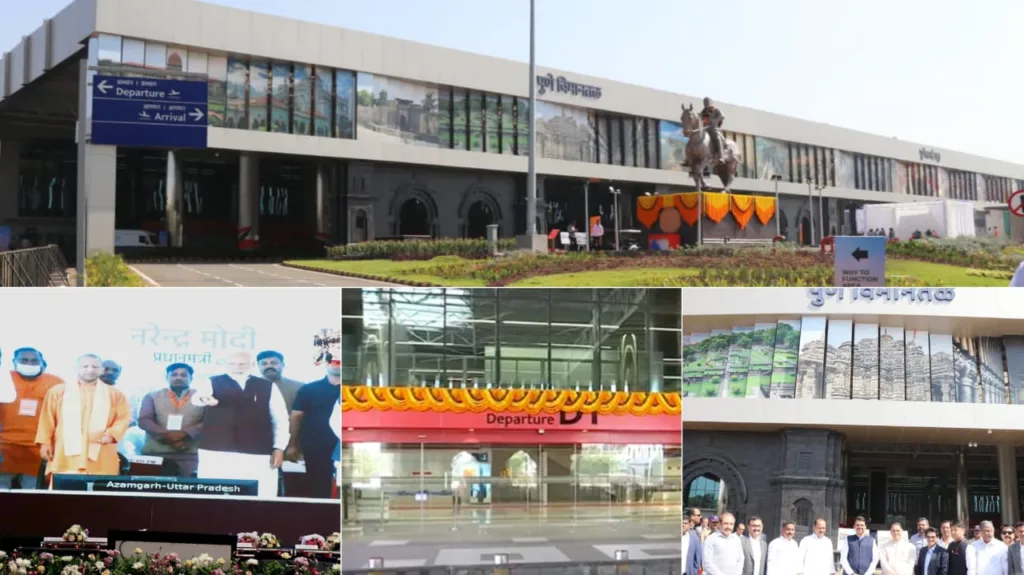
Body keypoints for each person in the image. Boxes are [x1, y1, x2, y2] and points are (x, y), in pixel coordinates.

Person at [190, 351, 289, 497]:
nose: (237, 367)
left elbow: (280, 419)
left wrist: (279, 448)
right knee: (213, 497)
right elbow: (197, 398)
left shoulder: (267, 386)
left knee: (262, 495)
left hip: (258, 452)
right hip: (216, 452)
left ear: (252, 365)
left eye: (242, 364)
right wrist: (206, 399)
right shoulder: (212, 381)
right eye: (232, 364)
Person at [34, 354, 132, 479]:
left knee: (99, 492)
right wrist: (45, 443)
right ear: (76, 368)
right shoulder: (58, 391)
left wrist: (111, 434)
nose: (90, 370)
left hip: (101, 452)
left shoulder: (115, 394)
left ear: (101, 370)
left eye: (95, 367)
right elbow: (47, 419)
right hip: (65, 453)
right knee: (64, 492)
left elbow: (123, 418)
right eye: (85, 366)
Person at [0, 348, 64, 489]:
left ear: (42, 362)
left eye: (34, 360)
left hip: (38, 448)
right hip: (5, 446)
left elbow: (63, 415)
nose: (29, 364)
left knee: (31, 493)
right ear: (14, 362)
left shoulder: (56, 383)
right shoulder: (4, 379)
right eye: (24, 360)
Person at [137, 363, 205, 478]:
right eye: (174, 374)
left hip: (190, 455)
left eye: (183, 375)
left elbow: (209, 422)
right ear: (167, 377)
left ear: (191, 378)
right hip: (154, 454)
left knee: (189, 491)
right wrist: (170, 437)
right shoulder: (152, 396)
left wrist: (185, 433)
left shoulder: (202, 397)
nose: (179, 377)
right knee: (148, 491)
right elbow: (144, 420)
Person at [286, 360, 341, 498]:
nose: (337, 364)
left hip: (345, 445)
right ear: (326, 364)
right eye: (333, 361)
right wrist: (293, 445)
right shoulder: (309, 389)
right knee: (318, 487)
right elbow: (296, 417)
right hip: (316, 445)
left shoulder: (355, 390)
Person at [700, 97, 726, 163]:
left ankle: (721, 156)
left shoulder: (716, 110)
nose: (705, 103)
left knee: (717, 138)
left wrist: (714, 120)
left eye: (707, 102)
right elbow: (699, 118)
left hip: (713, 129)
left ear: (710, 102)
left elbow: (722, 116)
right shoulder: (703, 112)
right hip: (704, 129)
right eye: (704, 102)